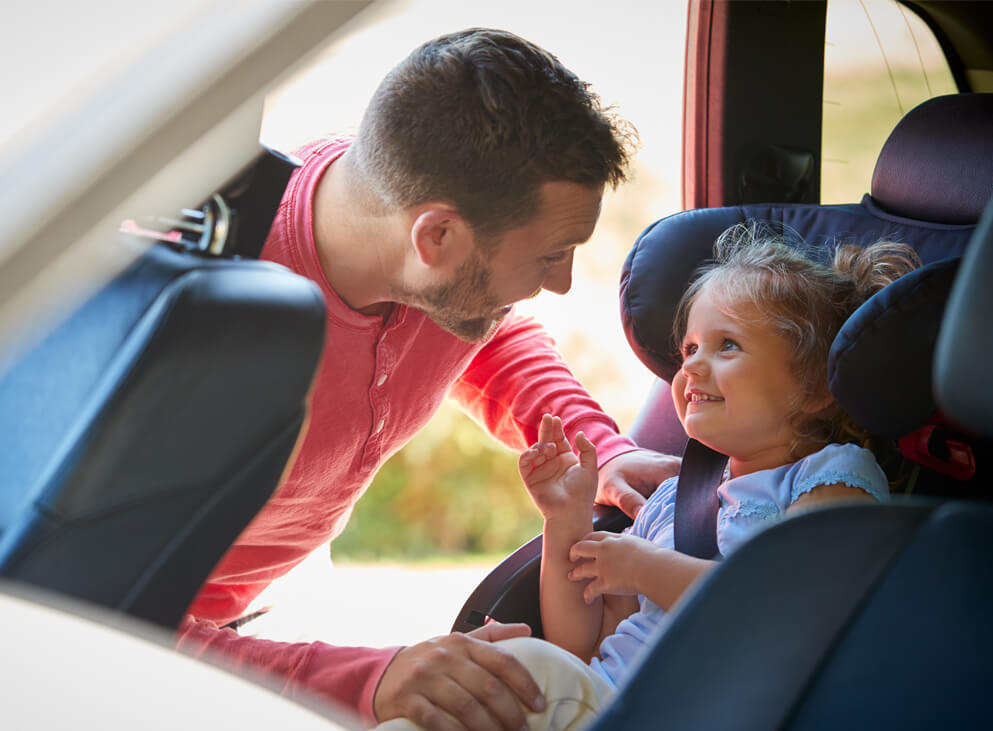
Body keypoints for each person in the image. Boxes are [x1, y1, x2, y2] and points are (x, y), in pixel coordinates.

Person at [175, 27, 681, 731]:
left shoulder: (425, 259)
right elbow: (85, 614)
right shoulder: (187, 322)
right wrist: (369, 680)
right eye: (549, 255)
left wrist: (600, 449)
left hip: (282, 590)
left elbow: (489, 334)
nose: (562, 283)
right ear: (435, 237)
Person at [376, 225, 921, 730]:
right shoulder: (669, 501)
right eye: (690, 349)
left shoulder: (832, 475)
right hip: (601, 700)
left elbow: (788, 610)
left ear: (817, 385)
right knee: (463, 683)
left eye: (728, 345)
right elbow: (581, 645)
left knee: (504, 672)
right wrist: (565, 522)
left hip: (694, 713)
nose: (692, 368)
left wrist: (643, 568)